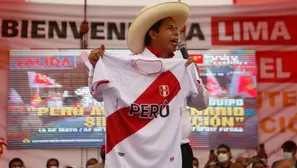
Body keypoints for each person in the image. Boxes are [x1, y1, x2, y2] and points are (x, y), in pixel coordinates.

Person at [88, 2, 209, 168]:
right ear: (153, 33)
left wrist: (196, 77)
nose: (177, 32)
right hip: (137, 152)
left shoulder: (182, 66)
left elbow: (202, 104)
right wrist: (96, 67)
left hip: (177, 150)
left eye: (177, 28)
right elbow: (99, 94)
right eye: (170, 28)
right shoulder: (128, 66)